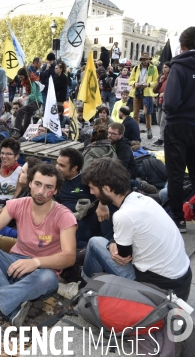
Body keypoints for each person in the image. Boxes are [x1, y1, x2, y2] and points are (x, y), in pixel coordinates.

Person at [0, 164, 77, 326]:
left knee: (49, 278)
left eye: (48, 187)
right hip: (13, 265)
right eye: (37, 184)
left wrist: (35, 262)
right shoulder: (17, 204)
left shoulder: (64, 216)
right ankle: (13, 300)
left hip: (40, 272)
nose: (41, 192)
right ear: (30, 183)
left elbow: (69, 257)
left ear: (56, 190)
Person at [81, 158, 191, 300]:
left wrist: (111, 244)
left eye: (92, 188)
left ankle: (83, 289)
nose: (90, 192)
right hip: (182, 283)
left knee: (95, 243)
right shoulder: (143, 199)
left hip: (158, 291)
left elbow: (124, 256)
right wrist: (113, 242)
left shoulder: (123, 215)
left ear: (107, 188)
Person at [163, 27, 195, 234]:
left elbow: (171, 101)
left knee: (175, 173)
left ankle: (178, 219)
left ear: (182, 46)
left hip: (178, 125)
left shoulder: (178, 66)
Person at [55, 148, 114, 249]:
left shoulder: (85, 180)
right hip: (63, 222)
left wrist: (102, 204)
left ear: (74, 168)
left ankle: (109, 245)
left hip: (85, 223)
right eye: (57, 163)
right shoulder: (55, 180)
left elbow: (110, 188)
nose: (57, 167)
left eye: (62, 165)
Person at [128, 52, 159, 140]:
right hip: (137, 91)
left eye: (146, 59)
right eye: (143, 59)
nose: (145, 61)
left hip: (147, 92)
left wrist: (148, 84)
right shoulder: (136, 68)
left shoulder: (153, 68)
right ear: (141, 60)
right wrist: (135, 83)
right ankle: (136, 130)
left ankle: (149, 129)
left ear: (149, 59)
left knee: (147, 113)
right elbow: (130, 80)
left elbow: (156, 81)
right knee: (135, 113)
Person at [14, 68, 43, 134]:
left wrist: (24, 99)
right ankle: (25, 133)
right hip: (31, 102)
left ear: (25, 75)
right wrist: (23, 96)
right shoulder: (26, 82)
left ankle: (16, 130)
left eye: (21, 77)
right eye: (19, 77)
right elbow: (27, 93)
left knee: (20, 111)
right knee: (27, 118)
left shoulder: (32, 81)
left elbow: (34, 94)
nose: (20, 79)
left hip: (37, 101)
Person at [152, 62, 171, 147]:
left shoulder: (172, 77)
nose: (164, 69)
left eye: (166, 67)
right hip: (159, 102)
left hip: (166, 102)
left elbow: (173, 89)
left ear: (170, 68)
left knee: (163, 121)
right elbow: (155, 90)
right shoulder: (161, 77)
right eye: (163, 67)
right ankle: (166, 137)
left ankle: (161, 139)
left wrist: (165, 93)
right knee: (159, 121)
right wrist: (160, 82)